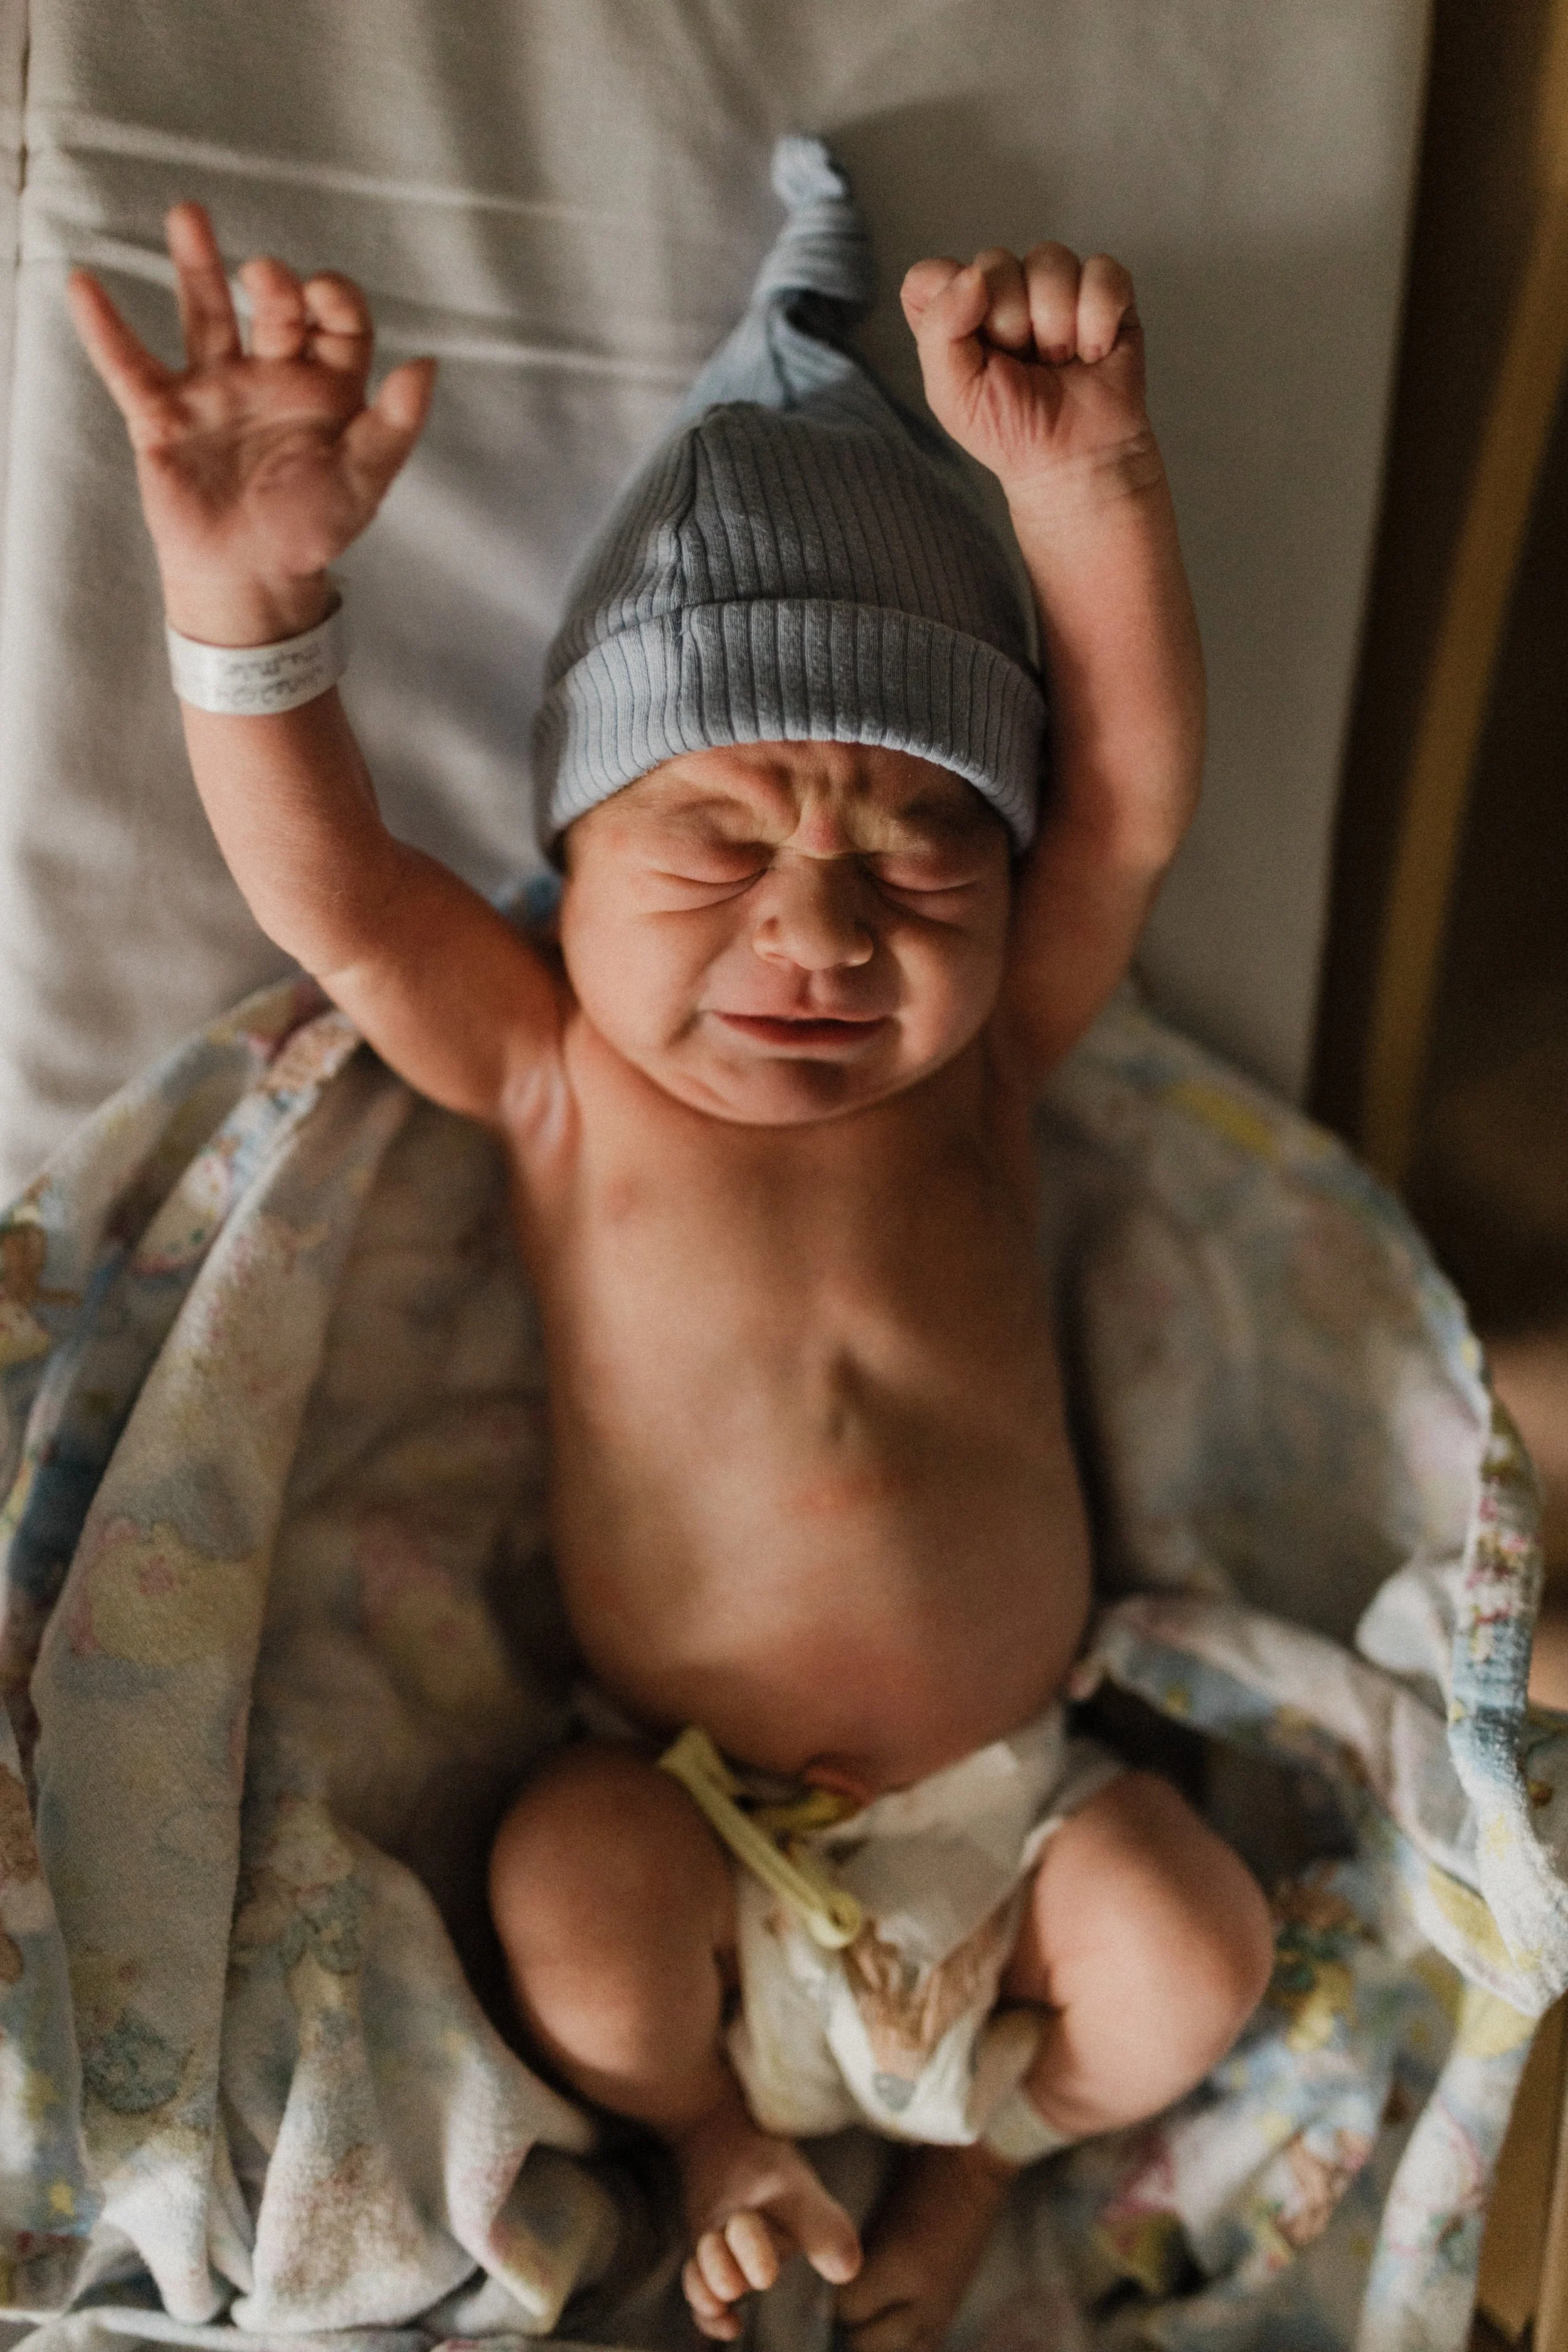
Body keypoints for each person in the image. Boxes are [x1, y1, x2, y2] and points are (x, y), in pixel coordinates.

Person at [70, 138, 1274, 2352]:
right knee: (567, 1886)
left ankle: (954, 2174)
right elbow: (335, 895)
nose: (817, 926)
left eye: (922, 859)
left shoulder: (987, 1071)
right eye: (715, 847)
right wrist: (248, 606)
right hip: (691, 1816)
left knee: (1195, 1942)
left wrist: (1089, 483)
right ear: (565, 860)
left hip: (1018, 1824)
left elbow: (1126, 795)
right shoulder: (557, 1075)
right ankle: (711, 2141)